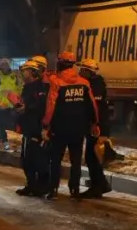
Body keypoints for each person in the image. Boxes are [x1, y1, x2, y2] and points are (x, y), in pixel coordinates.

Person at [42, 51, 100, 200]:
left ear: (60, 63)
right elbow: (92, 105)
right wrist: (95, 123)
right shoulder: (83, 83)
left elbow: (51, 106)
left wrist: (46, 124)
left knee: (55, 159)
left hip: (59, 128)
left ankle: (53, 189)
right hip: (78, 128)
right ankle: (74, 190)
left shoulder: (56, 82)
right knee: (76, 160)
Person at [14, 60, 50, 197]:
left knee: (35, 159)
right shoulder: (28, 87)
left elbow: (42, 106)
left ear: (33, 72)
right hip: (28, 128)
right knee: (27, 159)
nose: (22, 73)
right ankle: (32, 186)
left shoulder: (40, 87)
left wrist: (27, 108)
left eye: (25, 70)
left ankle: (39, 187)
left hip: (36, 128)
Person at [78, 59, 112, 198]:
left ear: (88, 71)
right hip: (95, 124)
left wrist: (95, 124)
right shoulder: (94, 83)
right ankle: (101, 184)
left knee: (91, 156)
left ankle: (97, 187)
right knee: (92, 156)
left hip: (97, 125)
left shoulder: (95, 85)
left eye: (82, 70)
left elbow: (94, 107)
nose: (79, 72)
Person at [0, 58, 23, 151]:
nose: (4, 66)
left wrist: (17, 100)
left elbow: (19, 88)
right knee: (1, 123)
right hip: (0, 104)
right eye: (2, 64)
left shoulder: (14, 76)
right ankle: (4, 142)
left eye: (6, 64)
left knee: (2, 124)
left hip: (12, 104)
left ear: (9, 65)